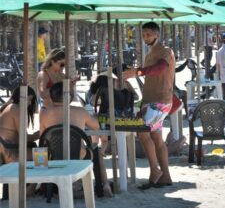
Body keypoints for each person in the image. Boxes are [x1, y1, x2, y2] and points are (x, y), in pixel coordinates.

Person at [39, 83, 113, 197]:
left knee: (39, 150)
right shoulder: (80, 111)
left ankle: (42, 185)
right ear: (69, 96)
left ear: (51, 97)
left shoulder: (44, 113)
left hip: (53, 156)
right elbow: (96, 126)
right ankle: (105, 184)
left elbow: (42, 138)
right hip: (78, 155)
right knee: (96, 151)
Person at [125, 21, 175, 189]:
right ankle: (165, 175)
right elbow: (151, 73)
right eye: (144, 34)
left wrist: (139, 71)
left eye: (148, 34)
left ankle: (154, 170)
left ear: (157, 34)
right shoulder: (150, 54)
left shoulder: (165, 51)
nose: (145, 37)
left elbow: (160, 68)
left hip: (159, 101)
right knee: (156, 138)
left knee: (142, 133)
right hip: (153, 100)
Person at [0, 86, 39, 164]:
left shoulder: (9, 107)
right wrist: (39, 133)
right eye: (30, 99)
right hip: (11, 153)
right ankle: (40, 176)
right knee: (43, 153)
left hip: (6, 150)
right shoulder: (16, 109)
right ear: (21, 97)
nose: (30, 103)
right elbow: (24, 138)